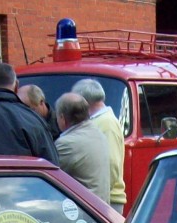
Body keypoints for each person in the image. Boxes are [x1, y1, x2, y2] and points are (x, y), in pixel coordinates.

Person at [72, 78, 126, 212]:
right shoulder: (101, 120)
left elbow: (111, 163)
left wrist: (98, 198)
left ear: (84, 102)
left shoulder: (107, 123)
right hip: (101, 198)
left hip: (107, 200)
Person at [52, 92, 111, 204]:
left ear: (62, 118)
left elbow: (48, 175)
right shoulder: (98, 133)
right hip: (100, 207)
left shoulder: (66, 144)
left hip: (83, 209)